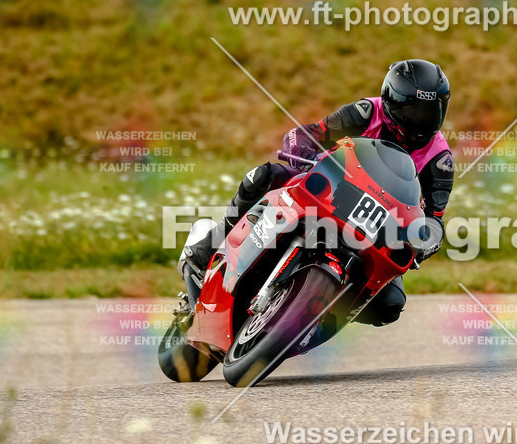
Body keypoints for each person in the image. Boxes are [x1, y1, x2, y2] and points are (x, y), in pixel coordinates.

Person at [178, 59, 454, 326]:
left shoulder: (440, 160)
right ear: (393, 102)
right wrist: (302, 153)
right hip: (328, 190)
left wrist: (422, 242)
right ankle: (206, 250)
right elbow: (309, 133)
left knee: (389, 305)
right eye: (414, 111)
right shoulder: (366, 113)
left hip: (374, 228)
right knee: (263, 176)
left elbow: (434, 219)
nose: (422, 121)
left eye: (432, 112)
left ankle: (312, 319)